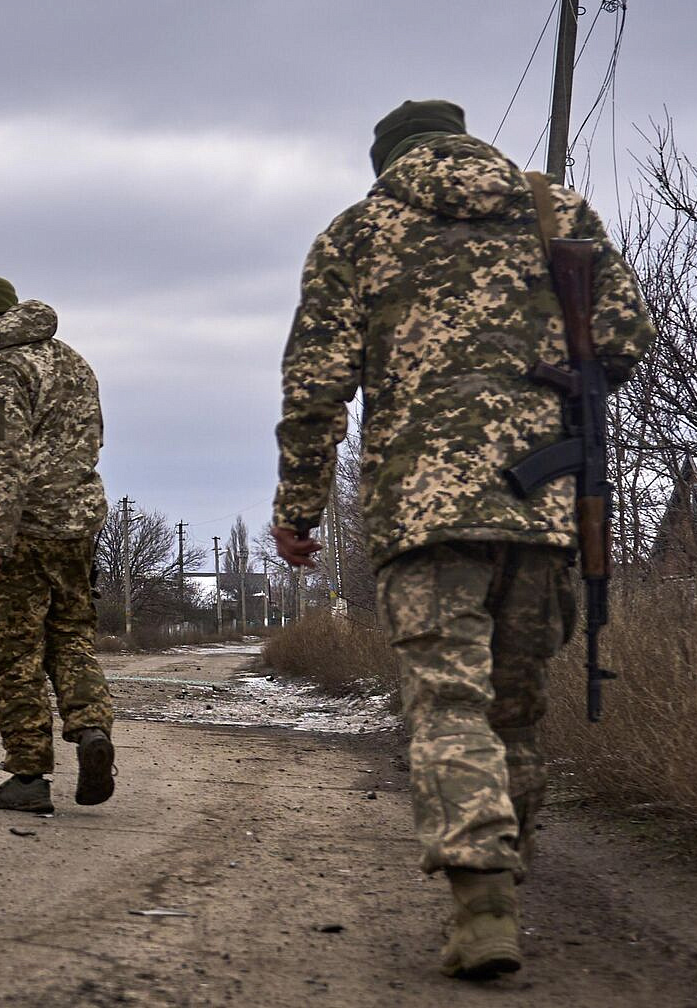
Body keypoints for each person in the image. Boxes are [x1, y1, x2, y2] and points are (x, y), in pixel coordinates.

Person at [271, 100, 653, 980]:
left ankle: (482, 904)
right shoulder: (556, 212)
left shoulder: (358, 232)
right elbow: (627, 339)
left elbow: (315, 389)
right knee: (514, 712)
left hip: (424, 517)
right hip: (545, 507)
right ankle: (506, 881)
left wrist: (300, 509)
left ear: (387, 162)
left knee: (448, 704)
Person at [0, 273, 116, 814]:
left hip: (23, 533)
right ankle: (91, 730)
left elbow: (3, 461)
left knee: (12, 653)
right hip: (77, 530)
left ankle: (28, 777)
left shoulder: (5, 367)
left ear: (0, 317)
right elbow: (89, 443)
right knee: (70, 638)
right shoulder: (73, 362)